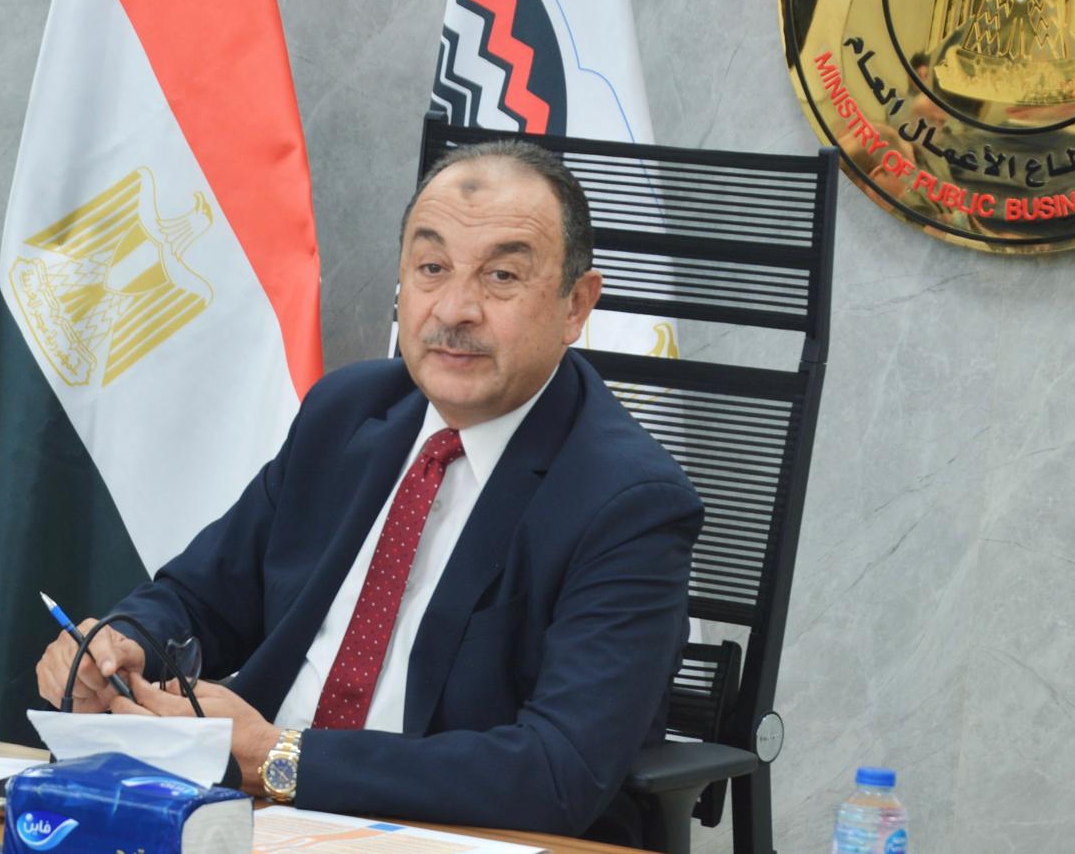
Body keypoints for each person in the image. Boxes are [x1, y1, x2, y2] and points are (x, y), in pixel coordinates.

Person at [35, 140, 703, 843]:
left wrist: (278, 757)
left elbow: (555, 772)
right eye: (432, 268)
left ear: (576, 305)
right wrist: (121, 645)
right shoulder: (348, 413)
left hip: (441, 835)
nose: (455, 308)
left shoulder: (629, 501)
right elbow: (200, 596)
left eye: (501, 275)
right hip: (248, 818)